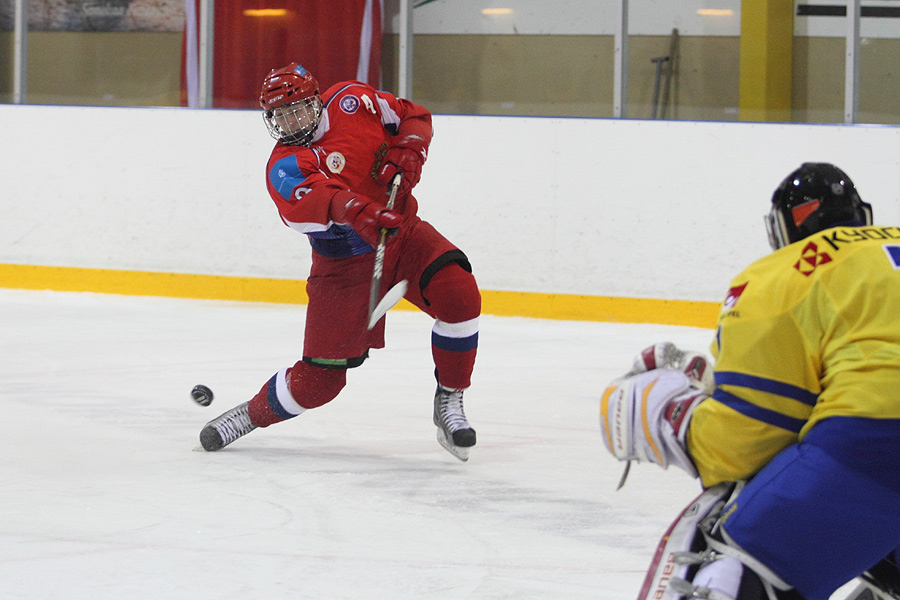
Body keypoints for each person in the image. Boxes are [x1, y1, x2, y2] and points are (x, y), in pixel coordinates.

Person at [599, 163, 900, 599]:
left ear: (786, 227)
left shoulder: (784, 272)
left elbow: (746, 441)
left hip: (874, 447)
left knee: (734, 550)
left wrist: (673, 416)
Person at [198, 63, 481, 461]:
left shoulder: (353, 100)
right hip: (343, 269)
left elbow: (412, 115)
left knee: (458, 291)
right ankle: (249, 415)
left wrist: (411, 147)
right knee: (320, 384)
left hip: (404, 234)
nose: (291, 122)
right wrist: (356, 210)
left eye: (297, 109)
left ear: (316, 99)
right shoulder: (284, 165)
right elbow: (315, 203)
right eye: (280, 116)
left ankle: (449, 399)